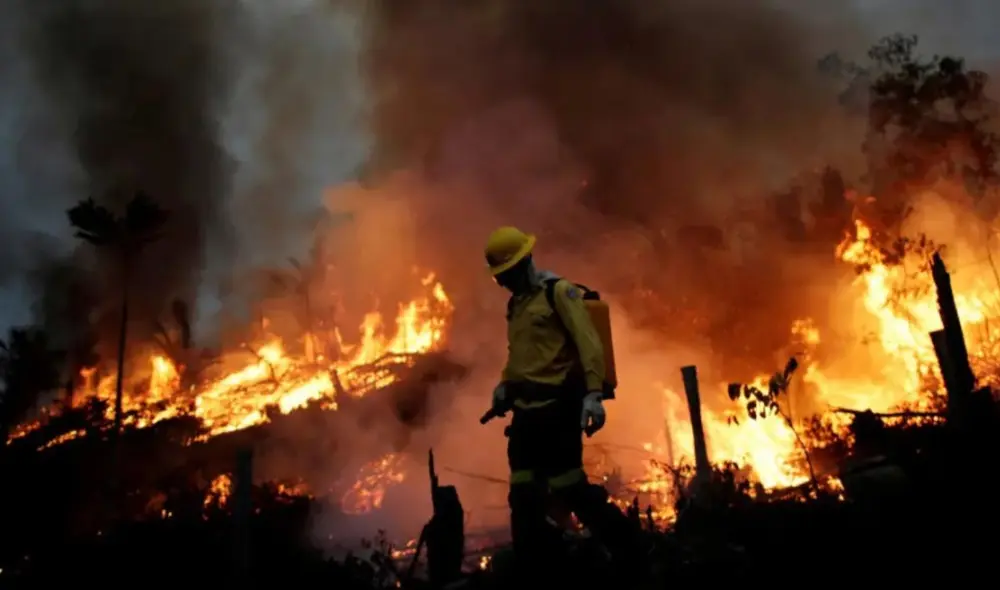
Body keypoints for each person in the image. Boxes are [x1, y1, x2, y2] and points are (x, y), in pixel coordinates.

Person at [484, 225, 640, 582]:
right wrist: (505, 384)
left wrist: (593, 395)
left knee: (571, 489)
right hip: (525, 415)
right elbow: (519, 355)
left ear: (524, 263)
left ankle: (631, 548)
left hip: (558, 411)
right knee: (523, 495)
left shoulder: (560, 294)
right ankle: (535, 568)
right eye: (499, 279)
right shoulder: (516, 307)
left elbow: (589, 345)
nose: (504, 283)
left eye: (507, 275)